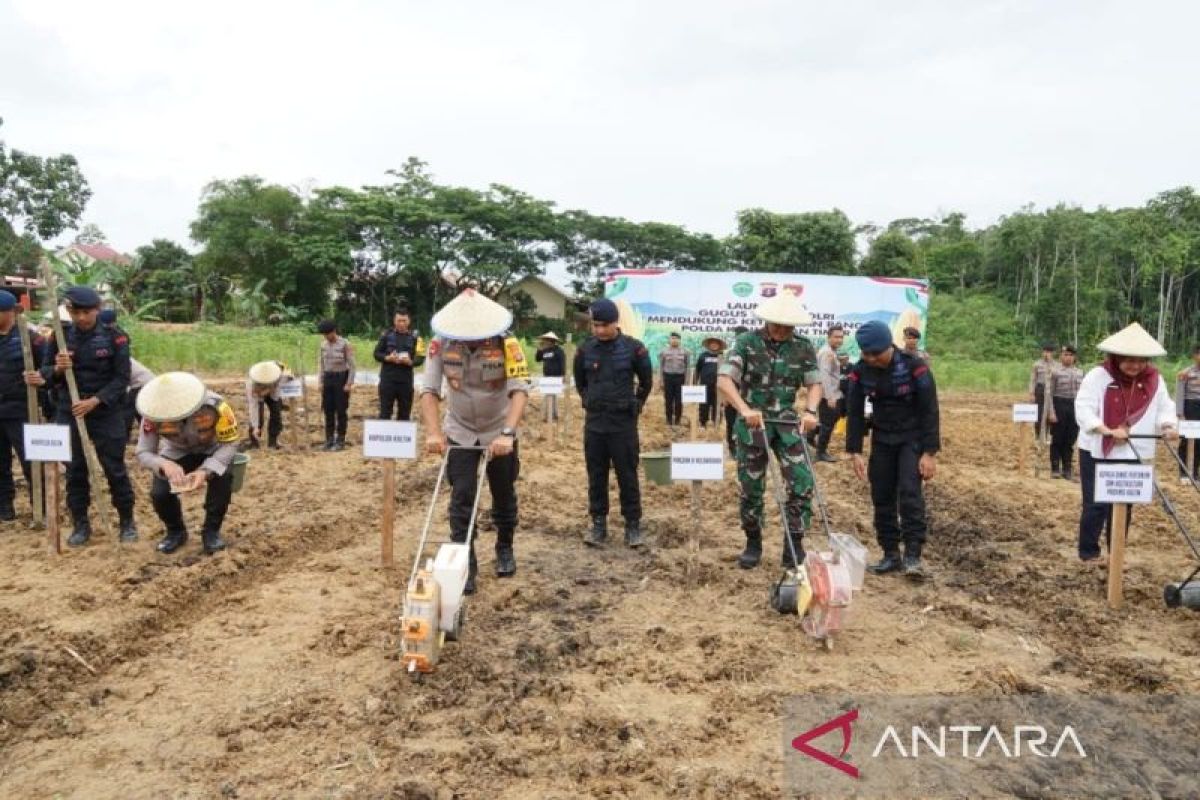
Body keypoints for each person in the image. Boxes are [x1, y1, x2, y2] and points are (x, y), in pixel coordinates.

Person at [420, 289, 529, 595]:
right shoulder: (440, 344)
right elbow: (429, 390)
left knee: (503, 492)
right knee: (462, 495)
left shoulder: (507, 344)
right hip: (460, 430)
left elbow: (519, 390)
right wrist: (433, 433)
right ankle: (464, 560)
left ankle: (505, 546)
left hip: (498, 431)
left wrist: (507, 433)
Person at [717, 291, 821, 570]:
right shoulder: (746, 343)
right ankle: (753, 541)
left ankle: (794, 543)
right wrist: (744, 409)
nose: (782, 331)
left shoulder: (803, 347)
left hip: (787, 424)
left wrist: (810, 411)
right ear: (767, 321)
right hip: (753, 423)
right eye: (777, 325)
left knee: (802, 481)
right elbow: (725, 380)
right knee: (751, 485)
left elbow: (814, 383)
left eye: (788, 327)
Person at [33, 286, 137, 546]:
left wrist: (95, 400)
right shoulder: (58, 337)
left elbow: (121, 378)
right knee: (75, 470)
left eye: (87, 312)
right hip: (69, 410)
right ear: (68, 311)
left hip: (105, 411)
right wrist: (57, 368)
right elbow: (44, 374)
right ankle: (81, 524)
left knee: (114, 468)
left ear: (97, 309)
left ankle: (127, 522)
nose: (81, 318)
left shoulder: (116, 338)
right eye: (76, 312)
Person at [1074, 323, 1178, 563]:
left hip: (1134, 451)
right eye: (1129, 360)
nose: (1135, 366)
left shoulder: (1154, 380)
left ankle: (1116, 552)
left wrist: (1167, 426)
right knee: (1096, 504)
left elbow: (1164, 407)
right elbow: (1084, 408)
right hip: (1098, 449)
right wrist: (1106, 430)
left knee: (1123, 505)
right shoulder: (1098, 376)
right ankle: (1088, 553)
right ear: (1117, 357)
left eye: (1141, 361)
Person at [845, 320, 940, 580]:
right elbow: (853, 412)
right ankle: (890, 554)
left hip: (912, 439)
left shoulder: (915, 367)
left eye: (877, 353)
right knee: (882, 494)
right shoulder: (860, 371)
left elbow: (930, 410)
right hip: (882, 438)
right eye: (867, 354)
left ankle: (912, 556)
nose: (872, 359)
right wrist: (855, 451)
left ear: (890, 346)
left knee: (910, 493)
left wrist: (929, 453)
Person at [574, 298, 653, 548]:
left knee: (627, 474)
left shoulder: (634, 349)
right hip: (596, 424)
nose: (599, 330)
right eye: (595, 325)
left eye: (604, 325)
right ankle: (599, 525)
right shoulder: (585, 350)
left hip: (623, 425)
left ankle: (633, 526)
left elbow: (646, 382)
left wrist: (636, 405)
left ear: (615, 323)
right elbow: (580, 382)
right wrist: (588, 400)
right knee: (596, 475)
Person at [136, 372, 240, 554]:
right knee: (159, 494)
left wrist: (206, 471)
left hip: (213, 449)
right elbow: (144, 452)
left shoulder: (216, 406)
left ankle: (211, 532)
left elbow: (230, 444)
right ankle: (176, 531)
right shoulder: (151, 412)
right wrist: (163, 464)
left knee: (223, 479)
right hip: (176, 451)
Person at [0, 291, 39, 521]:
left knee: (30, 459)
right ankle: (5, 506)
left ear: (10, 312)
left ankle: (39, 505)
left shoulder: (29, 338)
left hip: (21, 409)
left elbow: (46, 369)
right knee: (0, 463)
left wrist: (39, 379)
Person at [373, 308, 426, 421]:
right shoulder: (386, 335)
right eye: (399, 320)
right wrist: (388, 358)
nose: (401, 323)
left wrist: (410, 362)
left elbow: (421, 357)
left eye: (404, 320)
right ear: (394, 321)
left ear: (409, 321)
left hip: (405, 382)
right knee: (385, 413)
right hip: (388, 380)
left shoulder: (416, 338)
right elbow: (376, 354)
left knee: (404, 413)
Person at [316, 319, 354, 451]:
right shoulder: (323, 345)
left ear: (334, 331)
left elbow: (352, 366)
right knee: (328, 410)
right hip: (328, 378)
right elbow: (321, 364)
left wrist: (349, 383)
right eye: (324, 335)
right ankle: (329, 439)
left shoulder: (345, 344)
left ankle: (340, 440)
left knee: (341, 410)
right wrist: (320, 381)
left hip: (341, 378)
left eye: (327, 334)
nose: (326, 337)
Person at [1047, 345, 1084, 479]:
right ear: (1060, 356)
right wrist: (1051, 412)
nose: (1068, 357)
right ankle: (1055, 467)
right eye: (1065, 355)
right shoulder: (1055, 372)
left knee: (1070, 438)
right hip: (1059, 404)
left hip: (1074, 406)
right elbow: (1049, 394)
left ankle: (1067, 468)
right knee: (1057, 437)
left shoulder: (1080, 372)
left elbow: (1084, 394)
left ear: (1075, 357)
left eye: (1070, 355)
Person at [810, 324, 845, 463]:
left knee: (827, 421)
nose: (839, 340)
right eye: (836, 337)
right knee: (827, 424)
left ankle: (810, 435)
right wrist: (830, 396)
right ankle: (820, 452)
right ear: (828, 337)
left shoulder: (831, 351)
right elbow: (824, 375)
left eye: (841, 337)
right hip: (828, 395)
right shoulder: (827, 353)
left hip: (831, 393)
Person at [245, 360, 292, 449]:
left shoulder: (281, 375)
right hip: (262, 393)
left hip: (274, 390)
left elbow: (285, 386)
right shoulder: (251, 385)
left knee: (276, 414)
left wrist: (273, 392)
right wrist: (255, 427)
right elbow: (253, 407)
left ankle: (273, 442)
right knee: (259, 417)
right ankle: (254, 442)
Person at [723, 326, 749, 456]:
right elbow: (724, 377)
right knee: (731, 420)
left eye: (742, 336)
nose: (739, 339)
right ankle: (732, 447)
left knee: (745, 422)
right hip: (732, 391)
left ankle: (744, 447)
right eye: (737, 336)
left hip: (748, 393)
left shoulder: (753, 353)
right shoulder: (730, 354)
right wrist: (726, 397)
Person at [1176, 345, 1200, 484]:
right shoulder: (1185, 373)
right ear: (1195, 356)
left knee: (1199, 442)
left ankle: (1195, 473)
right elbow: (1179, 394)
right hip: (1190, 407)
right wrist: (1180, 413)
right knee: (1186, 440)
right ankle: (1183, 473)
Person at [658, 332, 689, 427]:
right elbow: (661, 367)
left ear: (679, 340)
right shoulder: (663, 352)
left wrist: (687, 382)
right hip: (668, 378)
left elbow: (687, 368)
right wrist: (661, 381)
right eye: (672, 338)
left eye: (676, 338)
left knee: (679, 400)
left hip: (680, 378)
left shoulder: (685, 352)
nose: (674, 340)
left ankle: (677, 420)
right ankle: (669, 419)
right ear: (669, 339)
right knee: (668, 400)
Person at [534, 332, 566, 423]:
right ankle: (553, 414)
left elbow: (562, 363)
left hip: (556, 376)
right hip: (546, 376)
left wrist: (563, 375)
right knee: (550, 395)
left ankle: (549, 416)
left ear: (551, 341)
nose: (544, 342)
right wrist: (539, 350)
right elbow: (537, 359)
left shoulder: (559, 351)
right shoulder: (544, 351)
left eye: (546, 340)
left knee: (551, 395)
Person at [694, 337, 724, 428]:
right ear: (709, 345)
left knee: (717, 404)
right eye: (712, 343)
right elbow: (697, 370)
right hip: (704, 385)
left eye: (716, 343)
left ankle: (716, 423)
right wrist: (695, 383)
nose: (714, 345)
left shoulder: (722, 357)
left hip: (718, 386)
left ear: (719, 345)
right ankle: (703, 423)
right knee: (703, 405)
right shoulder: (703, 356)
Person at [1029, 343, 1057, 440]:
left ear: (1052, 353)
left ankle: (1047, 435)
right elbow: (1033, 379)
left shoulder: (1056, 365)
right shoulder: (1036, 364)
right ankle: (1038, 436)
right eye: (1045, 351)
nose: (1046, 354)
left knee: (1050, 413)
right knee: (1039, 414)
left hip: (1051, 391)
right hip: (1040, 390)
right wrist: (1032, 393)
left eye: (1049, 352)